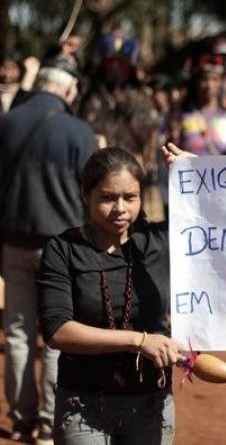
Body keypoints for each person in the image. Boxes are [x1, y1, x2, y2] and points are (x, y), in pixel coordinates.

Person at [37, 147, 183, 444]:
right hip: (83, 406)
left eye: (130, 197)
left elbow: (223, 222)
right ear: (85, 196)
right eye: (107, 197)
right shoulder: (63, 250)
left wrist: (195, 172)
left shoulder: (161, 242)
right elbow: (57, 331)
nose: (120, 209)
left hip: (150, 406)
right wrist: (140, 341)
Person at [0, 55, 98, 444]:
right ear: (69, 90)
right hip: (62, 246)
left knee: (18, 332)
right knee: (57, 335)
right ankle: (47, 421)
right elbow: (92, 195)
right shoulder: (79, 132)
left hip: (13, 241)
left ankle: (21, 418)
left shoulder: (7, 123)